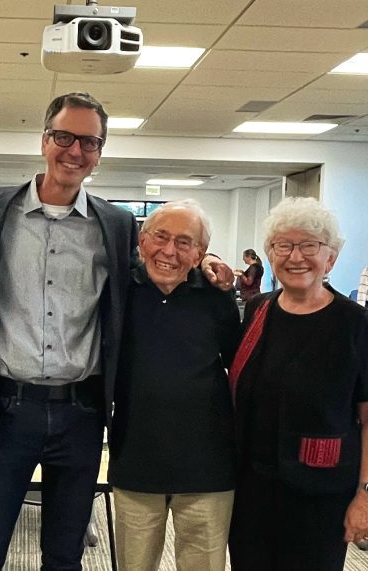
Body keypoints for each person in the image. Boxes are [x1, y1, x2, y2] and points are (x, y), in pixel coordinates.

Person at [0, 93, 234, 570]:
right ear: (44, 140)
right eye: (64, 137)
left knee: (65, 551)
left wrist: (208, 265)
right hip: (4, 412)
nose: (74, 151)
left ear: (99, 153)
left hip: (81, 414)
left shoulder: (115, 223)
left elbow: (153, 269)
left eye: (89, 142)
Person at [227, 197, 368, 571]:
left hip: (322, 493)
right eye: (283, 245)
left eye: (309, 246)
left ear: (330, 258)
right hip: (252, 489)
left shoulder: (354, 323)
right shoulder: (257, 311)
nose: (295, 256)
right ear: (271, 254)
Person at [108, 200, 241, 571]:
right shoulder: (118, 291)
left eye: (185, 243)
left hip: (208, 463)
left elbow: (239, 366)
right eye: (160, 237)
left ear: (199, 252)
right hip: (136, 457)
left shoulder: (218, 296)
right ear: (142, 240)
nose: (169, 251)